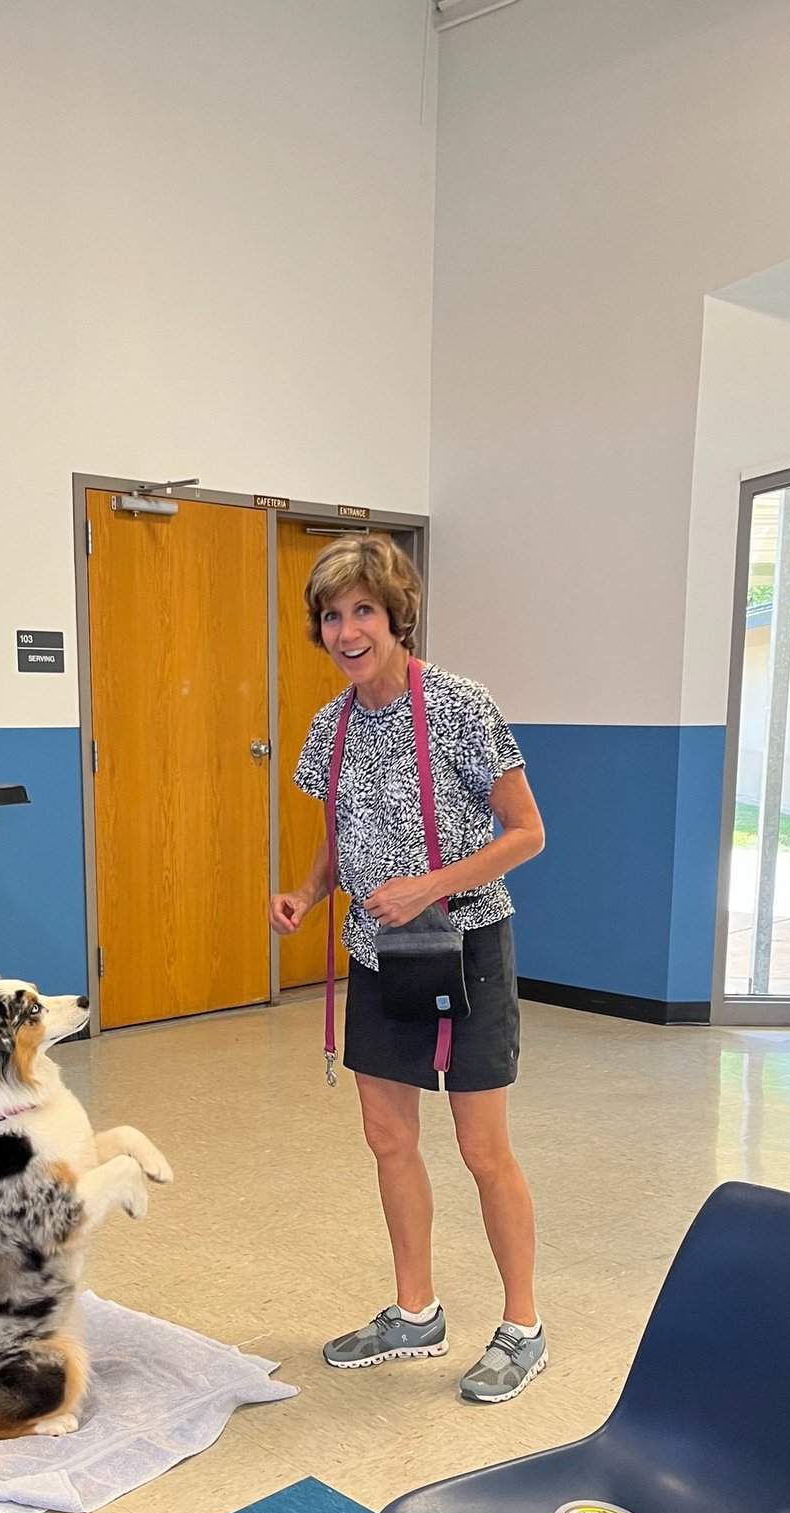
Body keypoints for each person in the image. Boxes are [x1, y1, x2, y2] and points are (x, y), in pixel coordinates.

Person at [270, 533, 548, 1405]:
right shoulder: (332, 725)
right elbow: (339, 842)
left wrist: (426, 883)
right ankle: (416, 1311)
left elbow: (526, 833)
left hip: (466, 946)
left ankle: (523, 1326)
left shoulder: (462, 706)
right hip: (378, 955)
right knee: (388, 1137)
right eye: (332, 616)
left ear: (396, 618)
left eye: (363, 612)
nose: (347, 631)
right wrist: (309, 894)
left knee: (481, 1148)